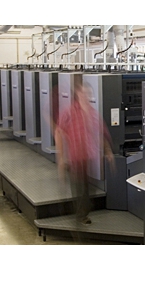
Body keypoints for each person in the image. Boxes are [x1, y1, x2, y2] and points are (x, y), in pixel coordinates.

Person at [54, 83, 115, 226]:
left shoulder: (93, 114)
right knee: (80, 187)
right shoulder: (69, 112)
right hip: (75, 157)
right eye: (83, 93)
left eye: (88, 93)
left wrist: (108, 151)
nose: (86, 96)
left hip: (89, 157)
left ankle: (82, 211)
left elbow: (100, 133)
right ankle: (80, 216)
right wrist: (61, 156)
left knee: (88, 188)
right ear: (78, 94)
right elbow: (59, 131)